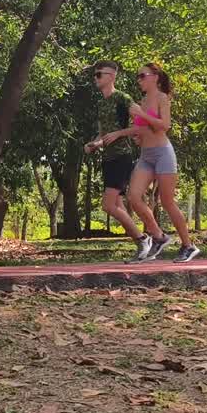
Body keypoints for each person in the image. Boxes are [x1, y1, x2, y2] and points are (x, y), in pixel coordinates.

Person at [102, 62, 199, 263]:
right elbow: (141, 129)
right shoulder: (143, 100)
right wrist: (120, 133)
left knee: (167, 202)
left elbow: (165, 125)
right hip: (146, 155)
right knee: (133, 197)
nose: (139, 80)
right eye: (138, 77)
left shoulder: (162, 98)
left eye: (142, 76)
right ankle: (158, 236)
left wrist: (141, 115)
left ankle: (188, 245)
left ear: (155, 77)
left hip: (163, 153)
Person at [83, 60, 160, 263]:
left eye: (99, 74)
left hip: (121, 157)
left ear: (111, 76)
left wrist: (118, 133)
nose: (95, 78)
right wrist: (95, 144)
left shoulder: (122, 99)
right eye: (95, 74)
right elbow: (103, 134)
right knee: (118, 205)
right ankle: (147, 241)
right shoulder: (101, 103)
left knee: (108, 206)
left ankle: (144, 240)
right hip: (108, 158)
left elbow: (141, 125)